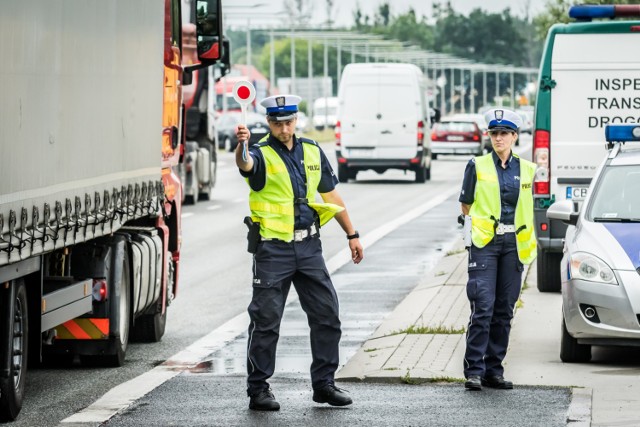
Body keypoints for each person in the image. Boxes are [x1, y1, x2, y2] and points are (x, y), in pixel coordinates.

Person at [235, 94, 364, 411]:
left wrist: (352, 233)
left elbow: (331, 193)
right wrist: (241, 145)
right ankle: (259, 389)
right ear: (269, 123)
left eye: (289, 122)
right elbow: (246, 165)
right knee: (266, 321)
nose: (284, 128)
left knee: (327, 315)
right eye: (277, 123)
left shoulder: (311, 150)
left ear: (296, 120)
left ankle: (324, 385)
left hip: (308, 247)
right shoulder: (260, 153)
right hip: (273, 249)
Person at [458, 108, 537, 391]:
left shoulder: (527, 169)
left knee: (504, 310)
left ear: (515, 136)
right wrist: (477, 231)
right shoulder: (476, 165)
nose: (498, 138)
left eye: (504, 133)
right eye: (494, 133)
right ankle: (474, 370)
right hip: (485, 244)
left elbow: (528, 208)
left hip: (513, 245)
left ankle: (494, 370)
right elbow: (466, 204)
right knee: (483, 307)